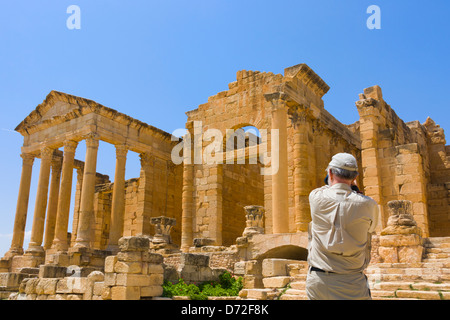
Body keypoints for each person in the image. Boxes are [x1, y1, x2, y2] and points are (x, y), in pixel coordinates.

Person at [306, 153, 379, 300]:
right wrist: (355, 189)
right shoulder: (369, 204)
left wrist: (332, 179)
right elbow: (371, 229)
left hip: (319, 281)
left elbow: (327, 187)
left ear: (330, 173)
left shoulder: (315, 197)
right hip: (353, 282)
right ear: (355, 177)